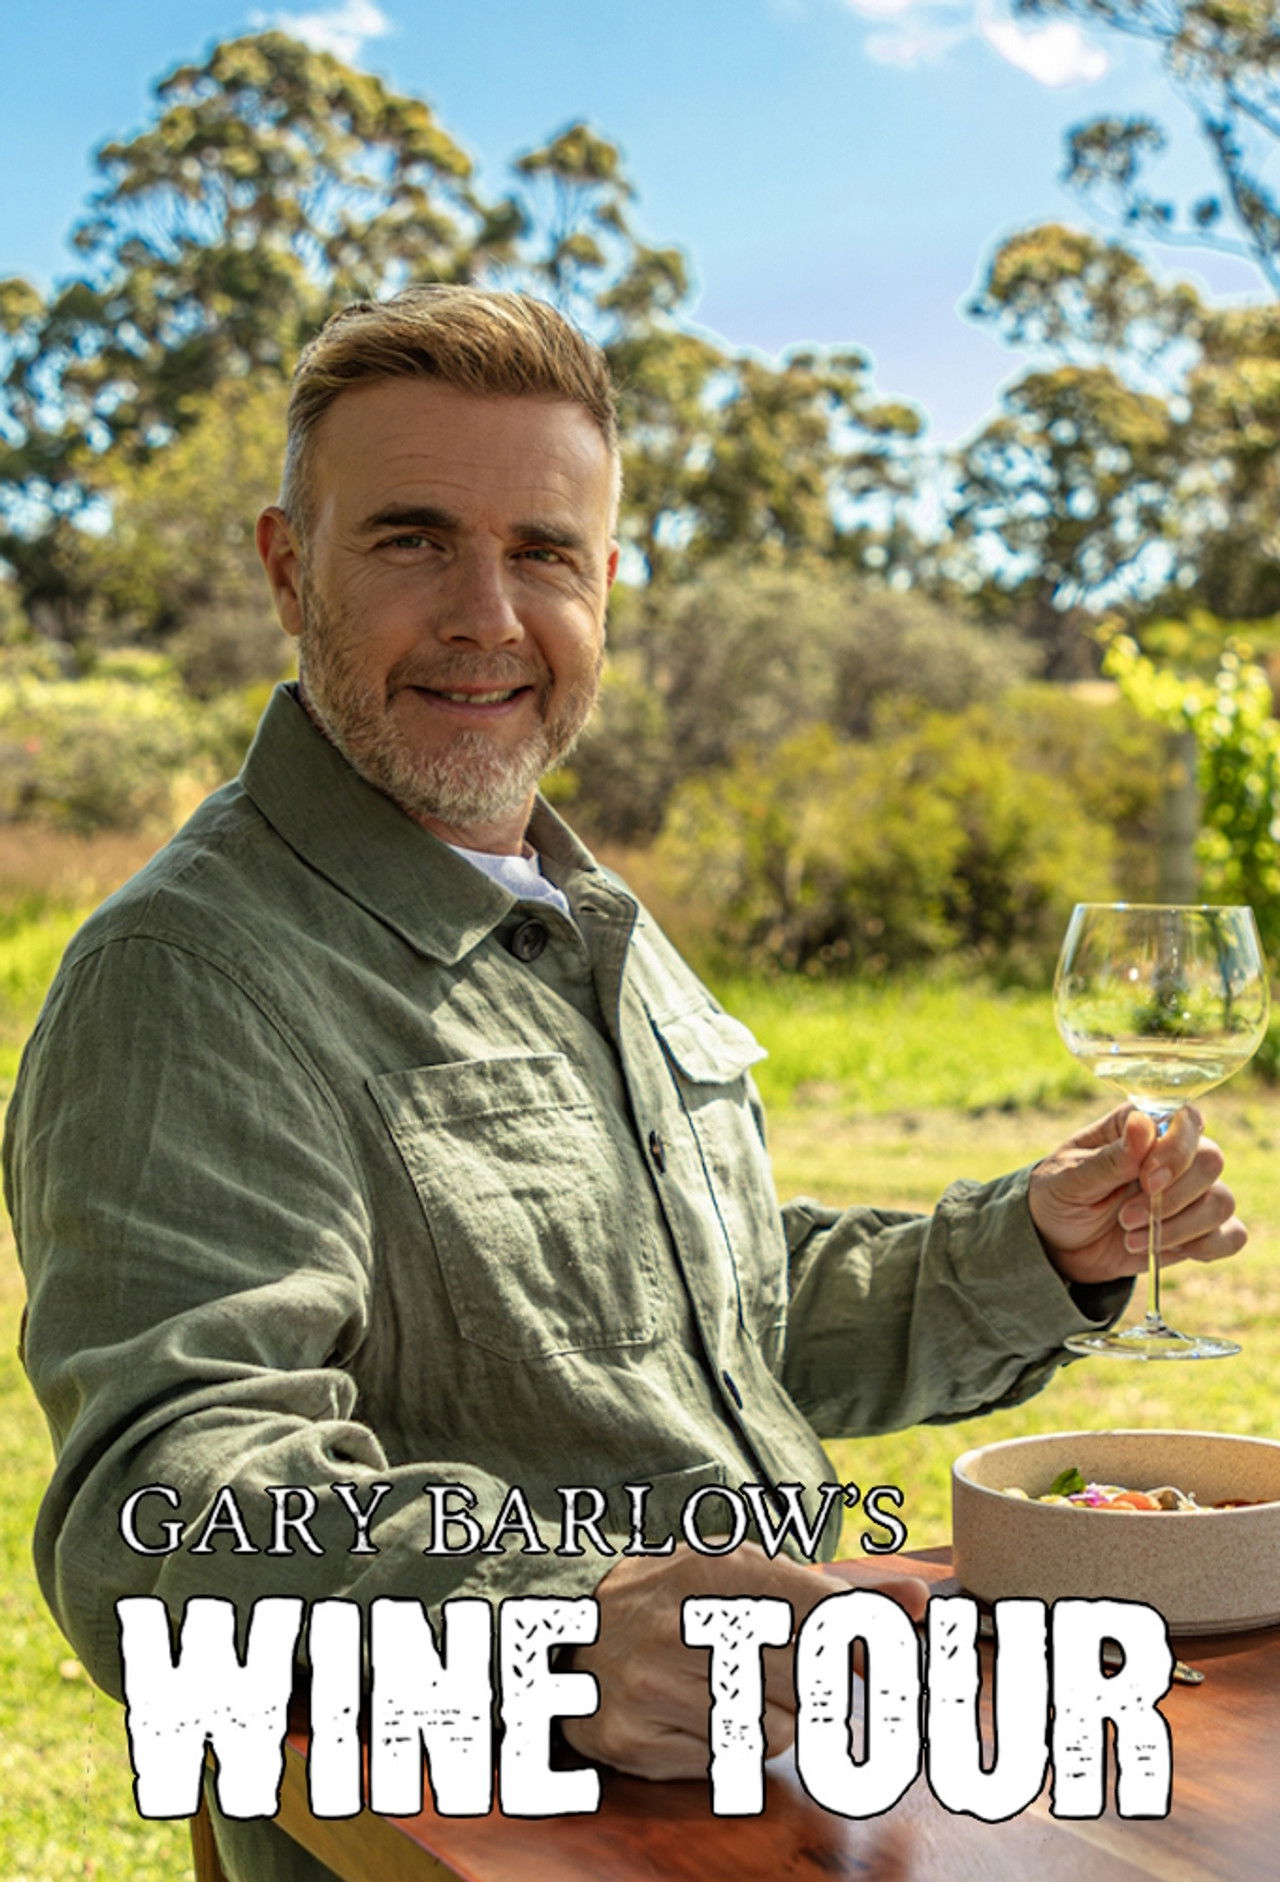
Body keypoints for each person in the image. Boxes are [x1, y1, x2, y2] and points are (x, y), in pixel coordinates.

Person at [5, 287, 1242, 1882]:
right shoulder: (192, 973)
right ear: (287, 568)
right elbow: (167, 1504)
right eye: (411, 541)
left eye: (541, 551)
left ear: (603, 584)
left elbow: (705, 1320)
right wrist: (563, 1625)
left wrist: (1033, 1250)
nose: (486, 615)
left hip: (799, 1790)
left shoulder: (584, 913)